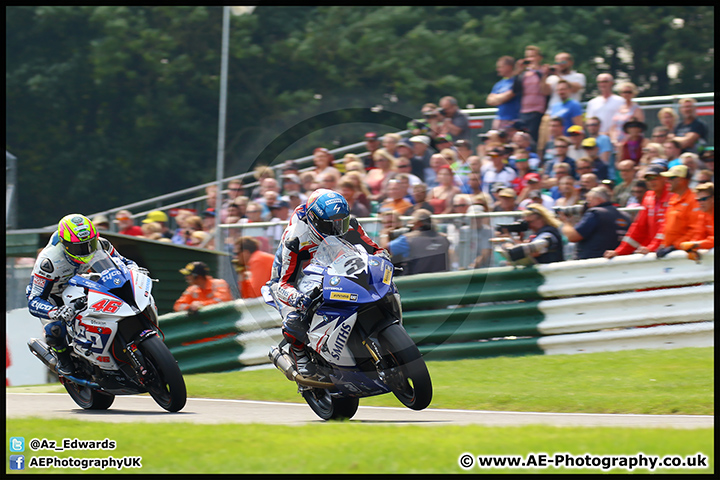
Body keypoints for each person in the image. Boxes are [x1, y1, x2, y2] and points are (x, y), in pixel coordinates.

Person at [270, 189, 388, 376]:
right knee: (295, 317)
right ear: (315, 221)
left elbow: (374, 249)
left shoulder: (348, 225)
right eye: (331, 225)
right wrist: (298, 299)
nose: (338, 229)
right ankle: (299, 354)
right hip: (295, 277)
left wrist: (383, 257)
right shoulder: (295, 239)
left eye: (342, 222)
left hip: (330, 265)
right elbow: (283, 284)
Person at [26, 214, 144, 375]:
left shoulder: (102, 244)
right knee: (55, 329)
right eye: (80, 247)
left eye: (91, 243)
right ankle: (63, 360)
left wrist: (136, 270)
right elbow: (34, 299)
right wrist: (54, 311)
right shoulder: (48, 261)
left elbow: (125, 262)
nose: (87, 250)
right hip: (52, 295)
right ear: (65, 245)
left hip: (80, 282)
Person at [604, 165, 672, 258]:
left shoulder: (673, 196)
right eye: (648, 179)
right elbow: (639, 227)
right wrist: (619, 251)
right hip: (656, 252)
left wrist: (651, 248)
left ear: (665, 178)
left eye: (655, 178)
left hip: (669, 250)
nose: (651, 181)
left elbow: (667, 228)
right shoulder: (649, 197)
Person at [560, 186, 631, 260]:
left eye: (589, 201)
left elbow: (573, 237)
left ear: (599, 199)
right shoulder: (625, 215)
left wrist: (566, 223)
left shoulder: (595, 213)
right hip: (617, 260)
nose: (587, 204)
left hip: (592, 260)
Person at [655, 165, 702, 257]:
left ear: (681, 180)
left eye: (671, 178)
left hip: (684, 253)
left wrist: (675, 246)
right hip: (672, 252)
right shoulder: (674, 199)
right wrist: (663, 244)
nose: (667, 181)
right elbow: (667, 227)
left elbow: (695, 230)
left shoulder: (694, 200)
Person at [387, 209, 450, 276]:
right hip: (441, 280)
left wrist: (384, 235)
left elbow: (385, 250)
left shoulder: (407, 239)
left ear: (418, 223)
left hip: (417, 282)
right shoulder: (444, 239)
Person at [499, 204, 564, 265]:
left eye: (531, 222)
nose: (529, 226)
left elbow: (533, 252)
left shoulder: (548, 234)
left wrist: (511, 240)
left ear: (542, 219)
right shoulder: (537, 233)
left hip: (551, 273)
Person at [517, 45, 551, 142]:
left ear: (539, 58)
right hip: (524, 110)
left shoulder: (543, 72)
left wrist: (538, 72)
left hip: (537, 110)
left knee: (534, 138)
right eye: (528, 56)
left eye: (533, 56)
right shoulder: (524, 74)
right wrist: (518, 71)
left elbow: (545, 91)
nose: (530, 59)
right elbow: (516, 90)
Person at [679, 182, 714, 259]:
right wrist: (692, 247)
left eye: (704, 199)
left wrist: (697, 244)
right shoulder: (704, 215)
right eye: (698, 200)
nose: (700, 203)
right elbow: (698, 235)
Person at [486, 55, 522, 129]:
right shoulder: (499, 84)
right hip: (500, 119)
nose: (498, 69)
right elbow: (489, 101)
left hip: (514, 119)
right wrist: (505, 97)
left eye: (500, 67)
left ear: (508, 67)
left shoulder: (516, 81)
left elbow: (513, 93)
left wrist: (498, 98)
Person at [608, 82, 645, 148]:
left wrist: (624, 142)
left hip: (629, 143)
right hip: (616, 143)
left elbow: (638, 129)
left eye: (629, 92)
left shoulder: (636, 109)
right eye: (624, 92)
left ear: (633, 93)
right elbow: (613, 127)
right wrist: (613, 140)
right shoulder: (618, 108)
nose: (626, 94)